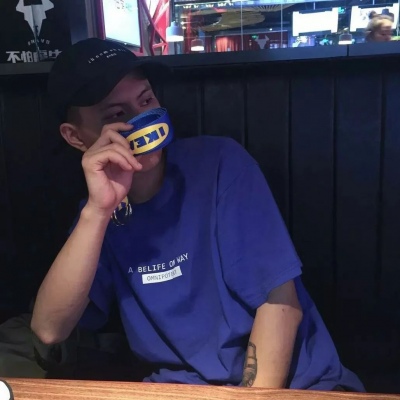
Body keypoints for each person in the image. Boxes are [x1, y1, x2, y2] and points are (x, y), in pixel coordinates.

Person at [31, 38, 365, 391]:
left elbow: (280, 302)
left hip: (297, 387)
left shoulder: (219, 164)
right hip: (181, 389)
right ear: (75, 137)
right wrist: (97, 212)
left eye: (145, 100)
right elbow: (49, 329)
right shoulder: (98, 214)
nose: (141, 120)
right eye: (116, 114)